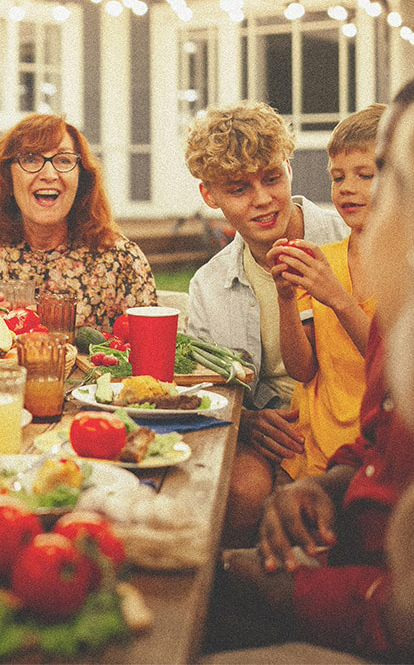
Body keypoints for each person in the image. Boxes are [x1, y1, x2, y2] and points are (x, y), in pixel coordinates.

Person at [206, 84, 414, 660]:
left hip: (382, 589)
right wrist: (318, 486)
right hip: (328, 474)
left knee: (219, 588)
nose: (352, 190)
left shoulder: (347, 256)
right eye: (340, 175)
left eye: (377, 177)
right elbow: (370, 433)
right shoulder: (346, 259)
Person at [183, 101, 349, 546]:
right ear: (209, 196)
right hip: (268, 430)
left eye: (271, 178)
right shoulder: (210, 285)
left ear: (289, 168)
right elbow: (205, 388)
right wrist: (250, 420)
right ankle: (231, 599)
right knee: (240, 489)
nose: (261, 200)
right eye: (239, 188)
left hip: (345, 422)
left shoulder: (346, 239)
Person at [0, 113, 156, 327]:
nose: (49, 174)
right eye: (30, 159)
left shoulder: (122, 260)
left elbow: (152, 351)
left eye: (63, 160)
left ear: (81, 178)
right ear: (6, 177)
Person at [274, 105, 381, 481]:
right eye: (338, 177)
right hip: (310, 455)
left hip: (371, 459)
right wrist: (285, 299)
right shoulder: (324, 260)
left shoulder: (404, 272)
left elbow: (396, 372)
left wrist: (337, 298)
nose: (347, 188)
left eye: (365, 175)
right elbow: (302, 369)